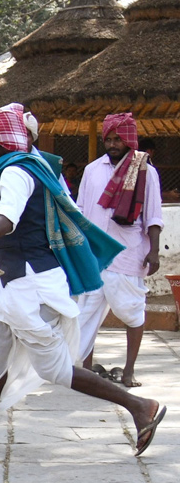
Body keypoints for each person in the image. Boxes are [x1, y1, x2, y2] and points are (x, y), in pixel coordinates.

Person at [0, 103, 165, 455]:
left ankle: (139, 406)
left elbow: (7, 219)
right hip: (19, 281)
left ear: (4, 141)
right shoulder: (29, 166)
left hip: (31, 284)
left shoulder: (15, 173)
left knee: (55, 368)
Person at [75, 112, 164, 389]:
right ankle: (86, 370)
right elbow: (79, 210)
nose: (113, 144)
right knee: (86, 313)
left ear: (129, 140)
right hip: (93, 255)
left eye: (118, 139)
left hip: (127, 253)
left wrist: (155, 252)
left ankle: (129, 371)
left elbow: (153, 216)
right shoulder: (92, 170)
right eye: (109, 139)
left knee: (132, 312)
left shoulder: (145, 171)